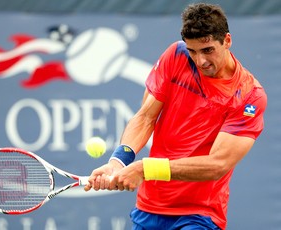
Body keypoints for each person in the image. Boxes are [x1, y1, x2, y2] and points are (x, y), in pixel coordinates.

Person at [84, 3, 267, 230]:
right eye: (193, 51)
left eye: (207, 50)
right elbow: (145, 117)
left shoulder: (249, 95)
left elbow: (217, 164)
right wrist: (118, 162)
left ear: (227, 41)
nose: (200, 61)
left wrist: (145, 169)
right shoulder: (177, 55)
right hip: (150, 207)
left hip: (200, 214)